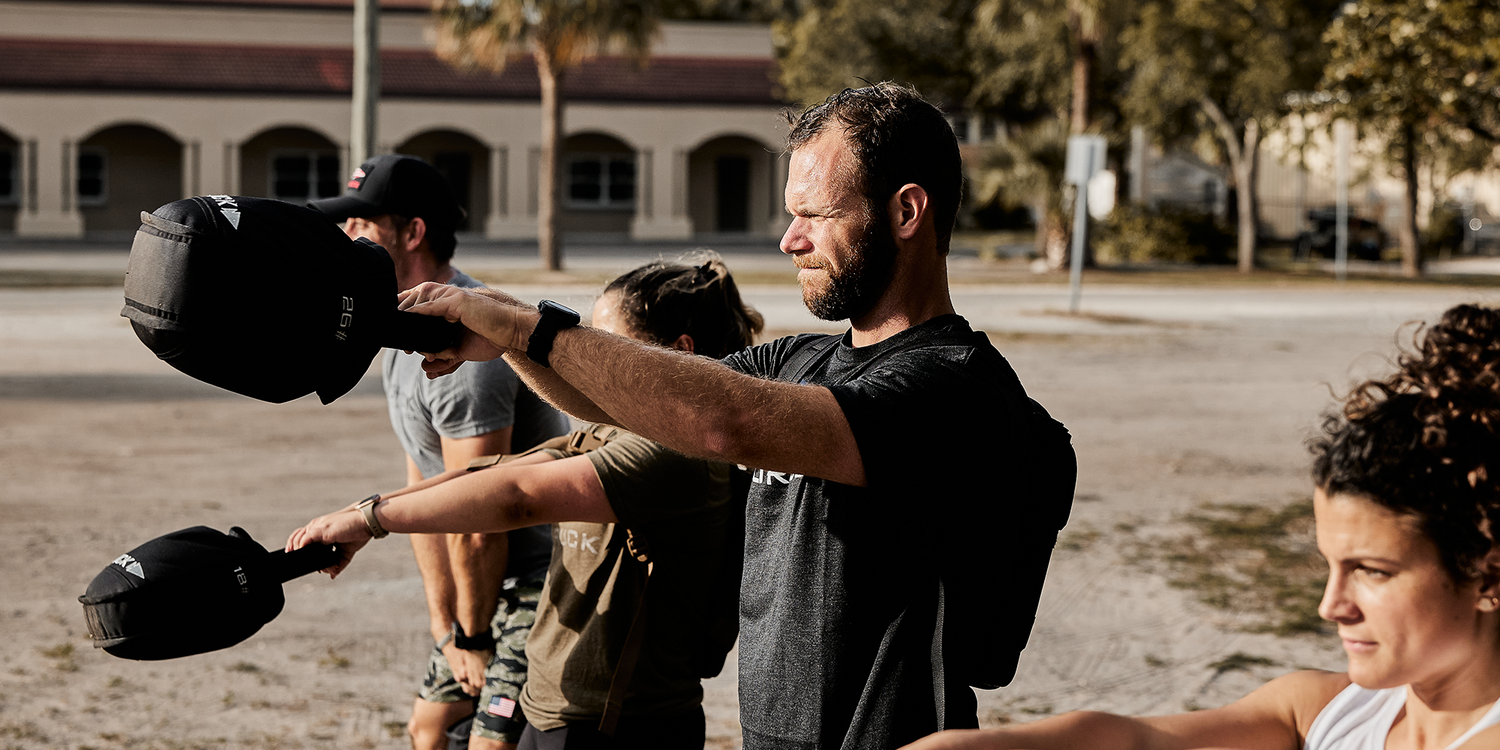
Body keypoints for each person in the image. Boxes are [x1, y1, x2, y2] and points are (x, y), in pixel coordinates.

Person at [387, 83, 1062, 748]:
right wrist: (507, 338)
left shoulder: (951, 389)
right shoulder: (802, 361)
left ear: (906, 212)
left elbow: (727, 421)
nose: (789, 240)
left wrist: (523, 326)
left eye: (814, 214)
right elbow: (617, 401)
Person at [899, 302, 1500, 750]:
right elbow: (1136, 740)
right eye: (1331, 565)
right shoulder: (1330, 714)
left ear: (1488, 572)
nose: (1331, 605)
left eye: (1372, 571)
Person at [290, 253, 763, 750]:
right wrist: (360, 513)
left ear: (678, 351)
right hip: (557, 709)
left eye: (610, 347)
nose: (592, 364)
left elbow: (518, 498)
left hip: (620, 725)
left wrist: (372, 521)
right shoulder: (618, 430)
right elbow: (494, 471)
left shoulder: (678, 455)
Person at [309, 154, 569, 750]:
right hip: (476, 591)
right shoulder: (401, 330)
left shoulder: (464, 349)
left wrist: (473, 637)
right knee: (428, 729)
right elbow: (421, 485)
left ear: (412, 232)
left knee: (489, 743)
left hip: (534, 584)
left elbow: (477, 517)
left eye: (361, 225)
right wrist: (442, 622)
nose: (347, 237)